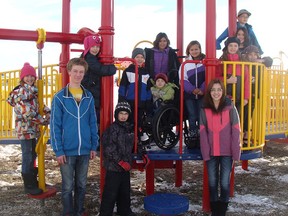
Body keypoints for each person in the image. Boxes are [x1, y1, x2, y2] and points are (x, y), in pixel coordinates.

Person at [50, 58, 99, 216]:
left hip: (84, 150)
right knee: (67, 186)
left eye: (81, 72)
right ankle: (68, 212)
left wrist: (93, 146)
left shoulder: (88, 96)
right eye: (75, 71)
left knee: (82, 185)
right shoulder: (60, 98)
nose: (78, 74)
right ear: (69, 71)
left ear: (84, 74)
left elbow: (92, 122)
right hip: (67, 151)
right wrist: (58, 151)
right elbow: (55, 126)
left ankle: (79, 211)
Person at [7, 62, 50, 195]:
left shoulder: (33, 91)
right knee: (28, 156)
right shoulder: (21, 92)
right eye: (27, 76)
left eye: (32, 76)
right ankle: (28, 184)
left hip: (33, 129)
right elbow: (28, 112)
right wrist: (42, 120)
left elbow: (39, 104)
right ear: (22, 78)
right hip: (25, 130)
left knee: (33, 154)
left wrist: (48, 111)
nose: (30, 78)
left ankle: (33, 179)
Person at [199, 79, 241, 216]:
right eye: (213, 90)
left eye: (219, 89)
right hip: (211, 152)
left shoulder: (230, 107)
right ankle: (214, 210)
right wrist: (205, 153)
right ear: (209, 92)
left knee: (224, 182)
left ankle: (221, 211)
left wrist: (236, 152)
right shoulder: (204, 108)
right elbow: (203, 132)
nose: (216, 92)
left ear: (223, 91)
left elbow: (236, 130)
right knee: (212, 182)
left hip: (227, 152)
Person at [99, 101, 136, 216]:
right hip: (114, 167)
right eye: (121, 113)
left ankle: (124, 210)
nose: (123, 116)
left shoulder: (129, 129)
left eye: (126, 113)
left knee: (125, 192)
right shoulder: (113, 129)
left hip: (125, 167)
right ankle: (105, 213)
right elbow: (109, 148)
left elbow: (132, 146)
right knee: (110, 193)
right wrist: (120, 161)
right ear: (116, 115)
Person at [118, 48, 152, 141]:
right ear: (133, 58)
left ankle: (139, 137)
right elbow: (123, 87)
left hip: (142, 102)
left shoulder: (146, 73)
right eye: (137, 57)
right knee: (129, 120)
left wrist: (148, 101)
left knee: (139, 120)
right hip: (130, 101)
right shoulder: (128, 71)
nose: (140, 59)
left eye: (142, 57)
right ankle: (129, 138)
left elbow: (148, 89)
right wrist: (121, 99)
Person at [81, 35, 117, 122]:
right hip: (90, 91)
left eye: (97, 47)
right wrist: (113, 67)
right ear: (87, 47)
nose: (95, 49)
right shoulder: (89, 59)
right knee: (93, 116)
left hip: (92, 90)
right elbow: (101, 70)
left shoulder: (92, 58)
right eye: (92, 46)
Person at [241, 45, 273, 144]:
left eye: (255, 54)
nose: (253, 57)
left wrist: (261, 60)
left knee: (249, 114)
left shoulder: (259, 64)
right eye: (250, 54)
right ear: (246, 55)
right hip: (243, 93)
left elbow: (270, 61)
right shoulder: (243, 63)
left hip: (254, 94)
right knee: (242, 114)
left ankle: (246, 134)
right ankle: (241, 134)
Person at [179, 40, 206, 139]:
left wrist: (202, 89)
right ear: (188, 51)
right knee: (192, 115)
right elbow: (182, 79)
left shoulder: (204, 62)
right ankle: (193, 134)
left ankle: (201, 134)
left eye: (196, 49)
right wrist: (192, 89)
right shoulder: (185, 64)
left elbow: (208, 78)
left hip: (202, 94)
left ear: (200, 49)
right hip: (189, 95)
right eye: (192, 49)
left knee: (201, 115)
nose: (194, 51)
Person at [217, 37, 250, 112]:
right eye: (230, 45)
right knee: (225, 119)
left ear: (238, 47)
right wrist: (227, 80)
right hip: (224, 96)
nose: (233, 48)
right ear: (227, 47)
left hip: (239, 97)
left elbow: (246, 80)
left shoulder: (242, 62)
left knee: (236, 119)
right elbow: (215, 77)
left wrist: (246, 97)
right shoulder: (222, 61)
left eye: (235, 46)